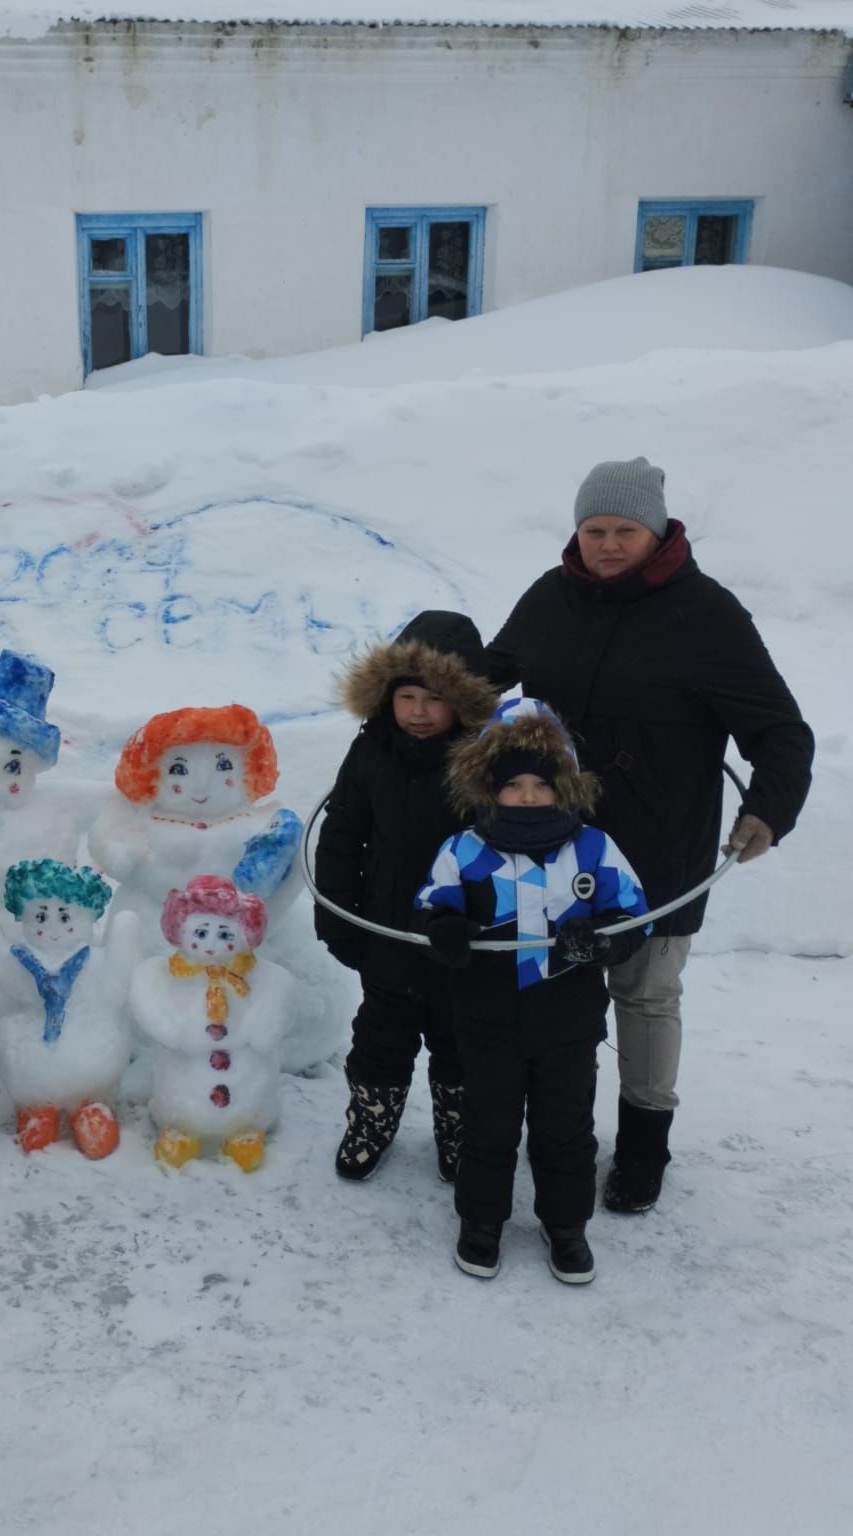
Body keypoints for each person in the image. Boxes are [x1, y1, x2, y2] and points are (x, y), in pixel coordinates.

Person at [483, 458, 813, 1212]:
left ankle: (642, 1148)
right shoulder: (550, 596)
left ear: (656, 529)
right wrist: (414, 698)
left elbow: (779, 729)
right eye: (593, 530)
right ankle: (556, 1134)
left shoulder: (707, 614)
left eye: (623, 531)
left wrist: (768, 807)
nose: (606, 544)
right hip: (551, 845)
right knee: (552, 996)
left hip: (659, 848)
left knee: (645, 994)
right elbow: (486, 674)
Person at [416, 699, 651, 1284]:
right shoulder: (466, 848)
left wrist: (602, 940)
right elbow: (431, 903)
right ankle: (482, 1221)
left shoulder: (594, 848)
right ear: (487, 787)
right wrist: (443, 929)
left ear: (563, 786)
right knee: (489, 1121)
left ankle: (566, 1224)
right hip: (487, 1016)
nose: (525, 796)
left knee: (564, 1125)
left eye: (539, 785)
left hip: (566, 1021)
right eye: (512, 784)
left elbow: (633, 913)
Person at [312, 611, 501, 1183]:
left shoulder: (487, 760)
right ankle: (370, 1121)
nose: (419, 712)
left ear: (462, 703)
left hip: (461, 936)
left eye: (435, 699)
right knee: (380, 1040)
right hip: (387, 926)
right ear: (387, 697)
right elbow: (343, 833)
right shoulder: (371, 752)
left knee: (459, 1044)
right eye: (408, 696)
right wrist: (337, 916)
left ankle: (457, 1130)